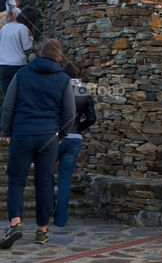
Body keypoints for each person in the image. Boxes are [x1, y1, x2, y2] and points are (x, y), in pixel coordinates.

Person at [0, 39, 74, 249]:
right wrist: (61, 135)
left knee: (16, 181)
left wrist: (7, 131)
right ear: (59, 58)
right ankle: (41, 231)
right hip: (49, 137)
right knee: (44, 183)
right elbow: (69, 113)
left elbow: (8, 106)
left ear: (39, 53)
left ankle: (15, 223)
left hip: (22, 132)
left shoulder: (21, 74)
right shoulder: (63, 79)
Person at [54, 60, 96, 228]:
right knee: (65, 179)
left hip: (55, 138)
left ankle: (48, 207)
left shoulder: (58, 90)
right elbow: (92, 118)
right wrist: (80, 129)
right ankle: (61, 219)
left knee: (47, 175)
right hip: (75, 138)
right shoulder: (83, 92)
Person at [0, 10, 35, 99]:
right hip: (17, 65)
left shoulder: (5, 27)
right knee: (19, 96)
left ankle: (5, 112)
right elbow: (27, 49)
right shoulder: (23, 28)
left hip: (3, 65)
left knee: (7, 96)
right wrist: (31, 37)